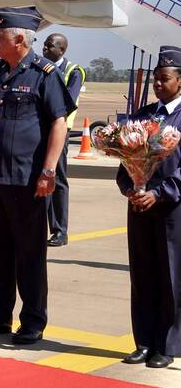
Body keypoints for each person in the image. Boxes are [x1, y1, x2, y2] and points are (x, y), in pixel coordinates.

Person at [0, 7, 75, 345]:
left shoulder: (44, 74)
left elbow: (58, 123)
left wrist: (48, 170)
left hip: (28, 179)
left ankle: (32, 322)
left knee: (29, 253)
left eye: (0, 37)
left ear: (19, 40)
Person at [117, 45, 181, 369]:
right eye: (156, 79)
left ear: (180, 81)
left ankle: (166, 345)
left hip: (172, 208)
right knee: (142, 275)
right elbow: (124, 162)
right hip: (140, 208)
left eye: (164, 78)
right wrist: (131, 189)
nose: (158, 84)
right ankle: (142, 341)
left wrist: (160, 192)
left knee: (170, 277)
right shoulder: (142, 116)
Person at [41, 33, 85, 247]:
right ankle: (39, 226)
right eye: (44, 45)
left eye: (49, 46)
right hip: (40, 130)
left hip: (59, 131)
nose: (44, 49)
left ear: (62, 50)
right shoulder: (40, 67)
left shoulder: (73, 71)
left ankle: (60, 230)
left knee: (57, 180)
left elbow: (68, 102)